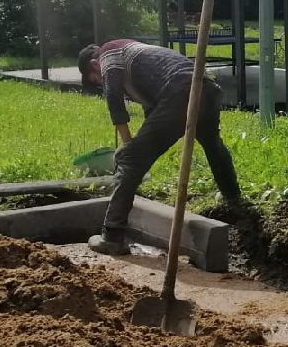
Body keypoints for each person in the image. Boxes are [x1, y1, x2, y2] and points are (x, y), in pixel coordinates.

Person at [78, 39, 242, 255]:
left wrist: (128, 147)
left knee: (129, 160)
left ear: (93, 64)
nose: (102, 82)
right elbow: (155, 116)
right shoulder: (138, 60)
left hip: (181, 90)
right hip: (206, 87)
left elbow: (114, 100)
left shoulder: (109, 53)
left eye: (96, 79)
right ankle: (235, 202)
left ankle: (112, 236)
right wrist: (139, 146)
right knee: (213, 146)